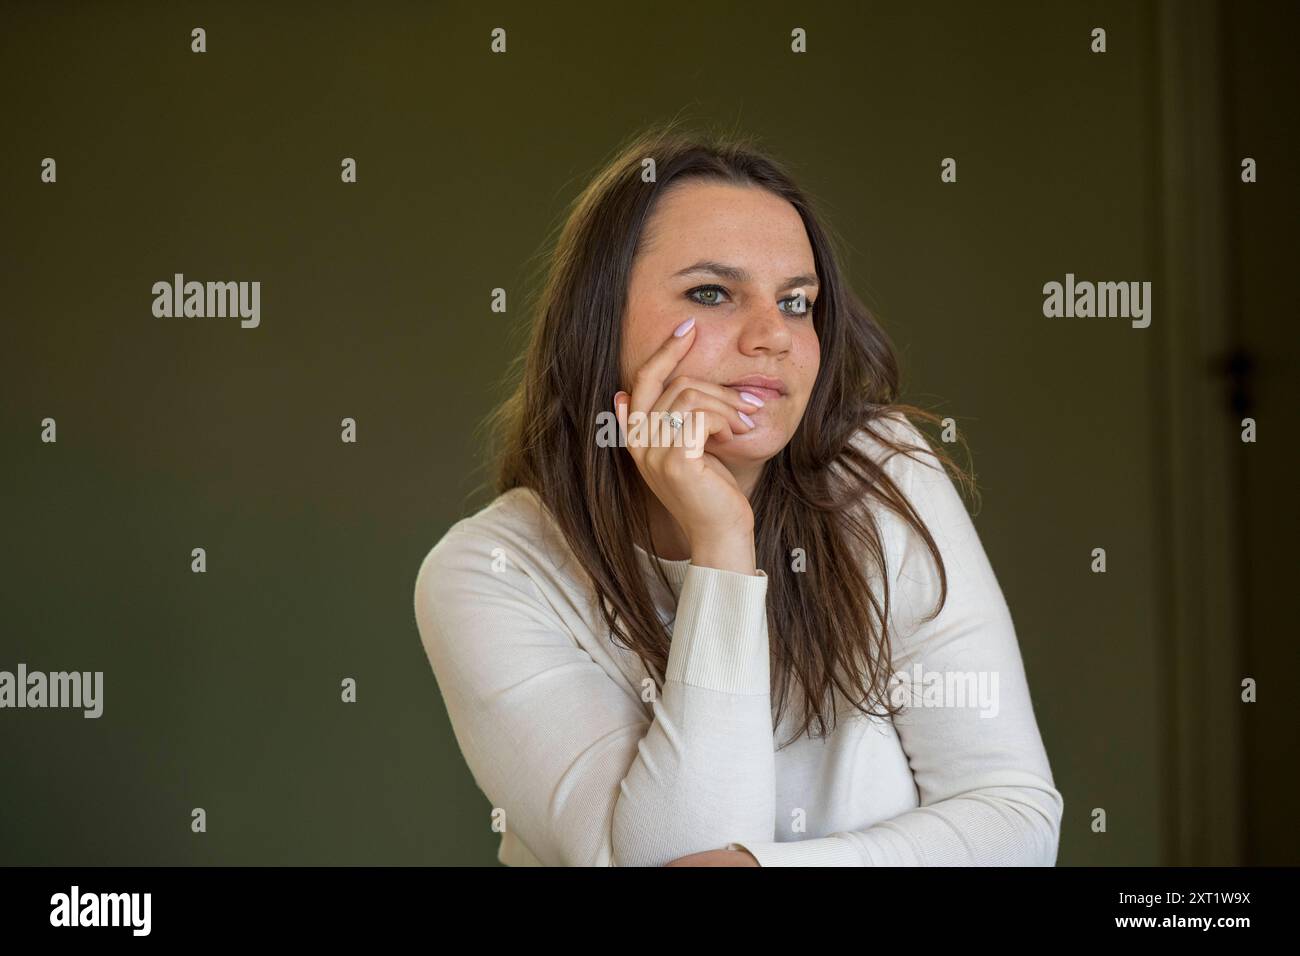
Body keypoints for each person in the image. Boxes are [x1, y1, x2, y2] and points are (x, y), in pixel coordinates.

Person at [413, 123, 1063, 866]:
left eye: (796, 302)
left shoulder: (882, 474)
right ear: (599, 321)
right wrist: (722, 542)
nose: (773, 337)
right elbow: (663, 857)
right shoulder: (490, 573)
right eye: (713, 293)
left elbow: (1016, 817)